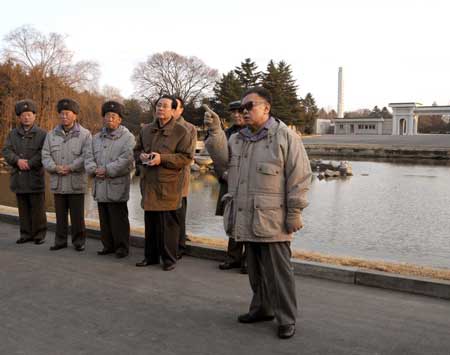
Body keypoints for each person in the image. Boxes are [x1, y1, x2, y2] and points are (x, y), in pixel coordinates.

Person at [204, 87, 312, 339]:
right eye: (241, 108)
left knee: (279, 274)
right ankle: (262, 308)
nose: (244, 111)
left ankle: (286, 318)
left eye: (249, 106)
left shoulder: (285, 137)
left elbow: (300, 177)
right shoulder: (238, 138)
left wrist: (295, 212)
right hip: (245, 215)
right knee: (255, 270)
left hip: (273, 219)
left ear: (266, 107)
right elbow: (222, 160)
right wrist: (216, 130)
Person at [134, 95, 193, 271]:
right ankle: (150, 257)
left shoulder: (181, 132)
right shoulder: (146, 130)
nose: (160, 109)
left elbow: (186, 158)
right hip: (149, 183)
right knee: (150, 223)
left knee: (168, 225)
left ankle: (169, 259)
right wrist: (142, 156)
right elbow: (136, 150)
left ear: (173, 110)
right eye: (159, 105)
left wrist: (162, 158)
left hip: (169, 185)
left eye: (165, 106)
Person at [85, 100, 135, 258]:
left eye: (114, 116)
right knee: (104, 217)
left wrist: (106, 170)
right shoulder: (96, 137)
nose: (110, 119)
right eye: (107, 116)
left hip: (117, 184)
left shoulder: (128, 137)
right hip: (100, 185)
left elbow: (127, 159)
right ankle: (108, 245)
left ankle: (122, 247)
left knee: (118, 218)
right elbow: (88, 157)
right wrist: (94, 169)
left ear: (120, 119)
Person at [42, 98, 92, 252]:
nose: (64, 116)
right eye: (61, 114)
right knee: (60, 215)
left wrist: (70, 167)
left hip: (75, 181)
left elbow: (87, 156)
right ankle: (60, 241)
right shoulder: (51, 134)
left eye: (67, 113)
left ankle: (79, 241)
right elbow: (45, 155)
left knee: (77, 216)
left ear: (75, 115)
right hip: (58, 181)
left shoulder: (85, 134)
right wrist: (55, 168)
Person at [2, 99, 47, 245]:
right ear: (19, 117)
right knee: (23, 208)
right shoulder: (12, 134)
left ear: (34, 116)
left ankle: (39, 234)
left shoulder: (42, 134)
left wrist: (30, 163)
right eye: (23, 115)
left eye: (29, 114)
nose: (26, 117)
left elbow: (44, 152)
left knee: (38, 208)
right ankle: (25, 234)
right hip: (19, 177)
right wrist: (17, 161)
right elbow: (6, 151)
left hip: (34, 176)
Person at [212, 100, 247, 273]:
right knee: (232, 221)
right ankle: (233, 257)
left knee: (249, 222)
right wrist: (222, 174)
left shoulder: (253, 132)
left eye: (239, 111)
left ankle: (249, 261)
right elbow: (217, 160)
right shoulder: (225, 134)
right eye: (233, 112)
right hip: (229, 183)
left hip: (249, 184)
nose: (236, 115)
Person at [173, 96, 197, 258]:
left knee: (179, 213)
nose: (171, 109)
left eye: (175, 107)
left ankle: (180, 246)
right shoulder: (157, 126)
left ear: (181, 110)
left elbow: (188, 155)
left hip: (179, 177)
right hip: (159, 180)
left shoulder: (189, 128)